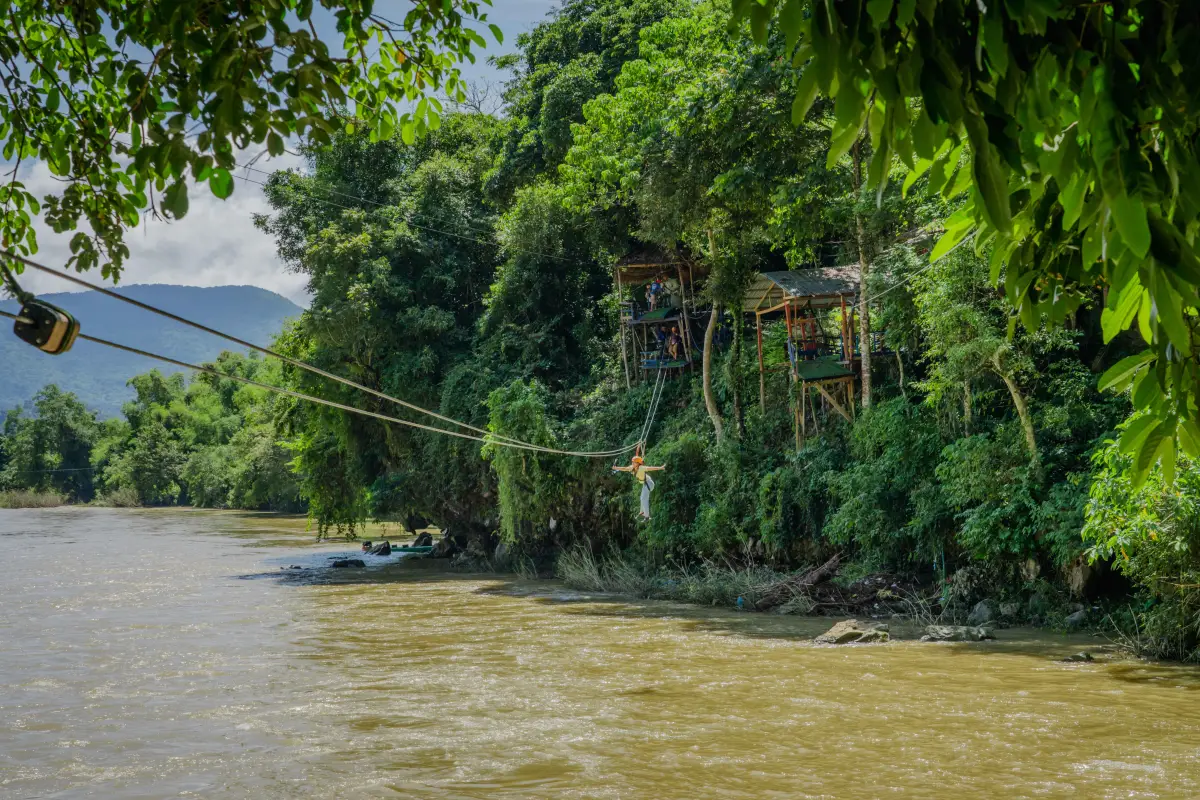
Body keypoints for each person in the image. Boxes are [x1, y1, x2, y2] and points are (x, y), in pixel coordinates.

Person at [613, 450, 666, 519]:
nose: (632, 463)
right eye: (632, 462)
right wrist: (616, 468)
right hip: (645, 484)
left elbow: (651, 468)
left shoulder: (642, 468)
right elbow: (624, 468)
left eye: (634, 462)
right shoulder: (632, 468)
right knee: (642, 497)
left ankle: (647, 516)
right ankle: (642, 512)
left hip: (649, 483)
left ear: (638, 463)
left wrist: (660, 468)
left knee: (644, 499)